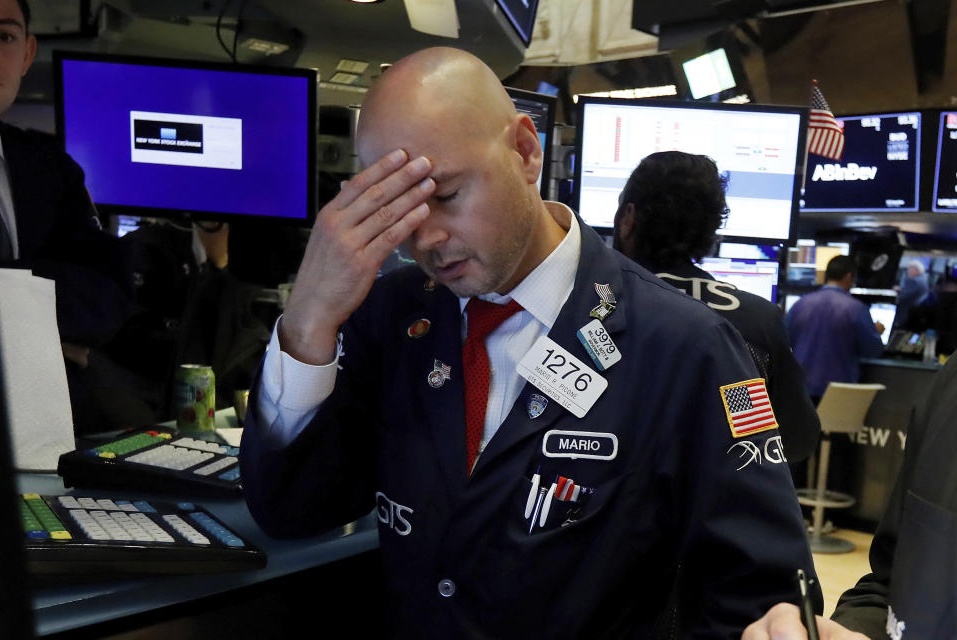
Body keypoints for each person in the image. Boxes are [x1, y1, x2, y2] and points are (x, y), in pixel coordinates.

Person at [239, 47, 820, 638]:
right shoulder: (391, 317)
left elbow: (765, 596)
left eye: (445, 195)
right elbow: (292, 508)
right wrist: (308, 321)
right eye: (399, 210)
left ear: (524, 151)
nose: (427, 238)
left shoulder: (688, 349)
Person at [613, 151, 821, 462]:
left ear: (628, 218)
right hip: (722, 504)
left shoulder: (592, 305)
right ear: (711, 233)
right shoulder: (756, 319)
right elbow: (794, 440)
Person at [743, 352, 957, 640]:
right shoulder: (950, 386)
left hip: (810, 403)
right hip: (830, 403)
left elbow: (798, 436)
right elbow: (889, 587)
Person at [0, 0, 136, 431]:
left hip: (41, 428)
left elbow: (108, 293)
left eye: (4, 37)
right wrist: (39, 332)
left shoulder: (49, 167)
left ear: (27, 55)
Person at [785, 255, 885, 401]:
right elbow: (872, 351)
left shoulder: (800, 304)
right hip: (839, 392)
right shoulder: (856, 309)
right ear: (849, 277)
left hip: (801, 390)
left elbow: (784, 341)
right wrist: (876, 332)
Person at [892, 259, 929, 330]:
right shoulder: (923, 279)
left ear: (916, 270)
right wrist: (900, 290)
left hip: (906, 312)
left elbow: (903, 298)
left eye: (910, 269)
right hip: (916, 310)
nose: (908, 271)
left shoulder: (914, 281)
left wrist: (895, 294)